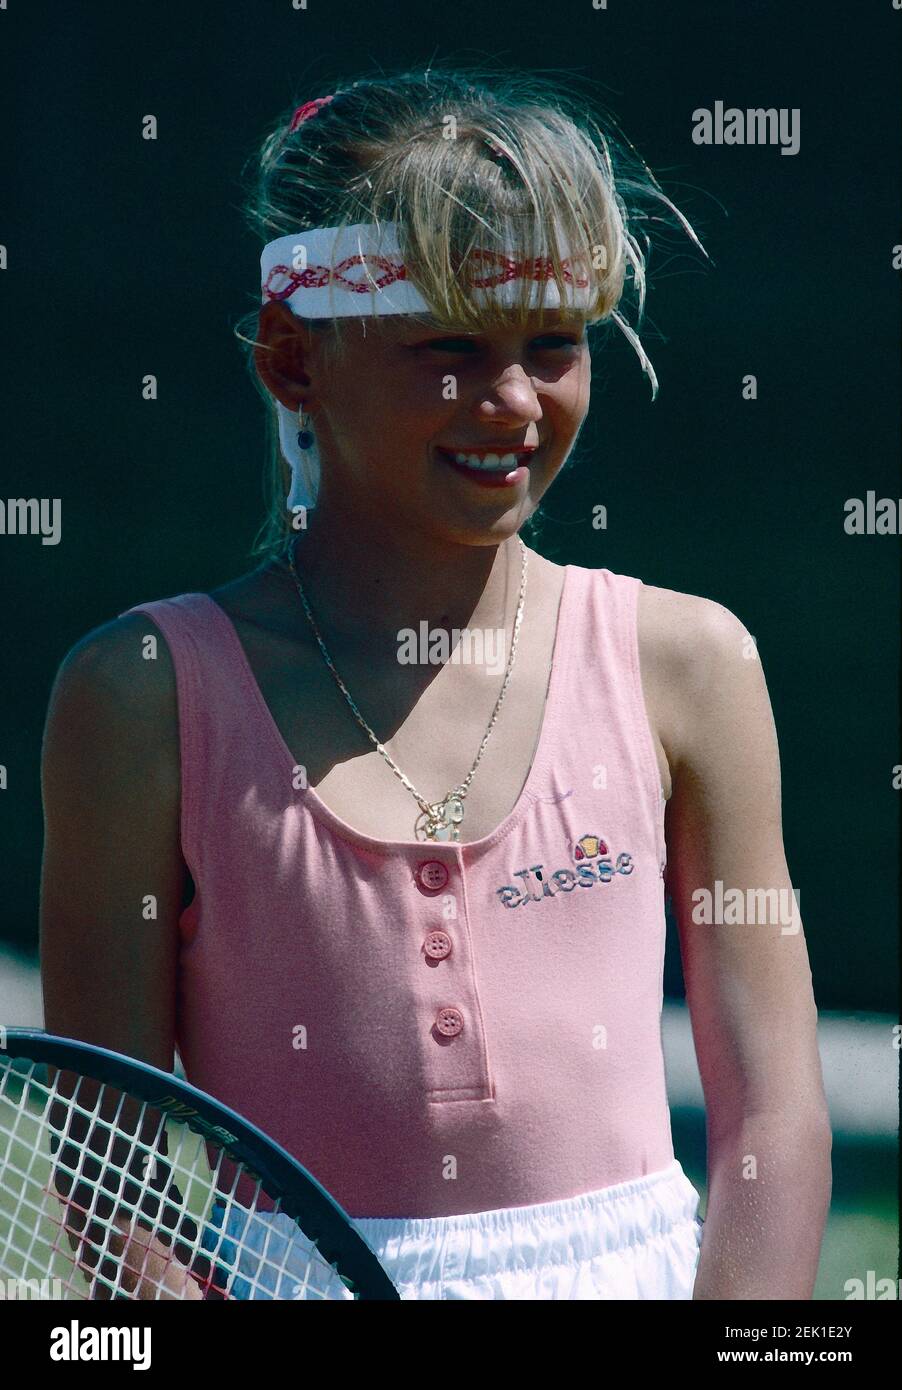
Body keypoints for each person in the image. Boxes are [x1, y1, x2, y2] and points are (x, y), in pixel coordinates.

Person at [39, 66, 831, 1299]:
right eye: (449, 347)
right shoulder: (139, 695)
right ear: (294, 361)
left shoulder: (692, 664)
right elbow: (109, 1163)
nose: (512, 400)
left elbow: (775, 1114)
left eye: (552, 344)